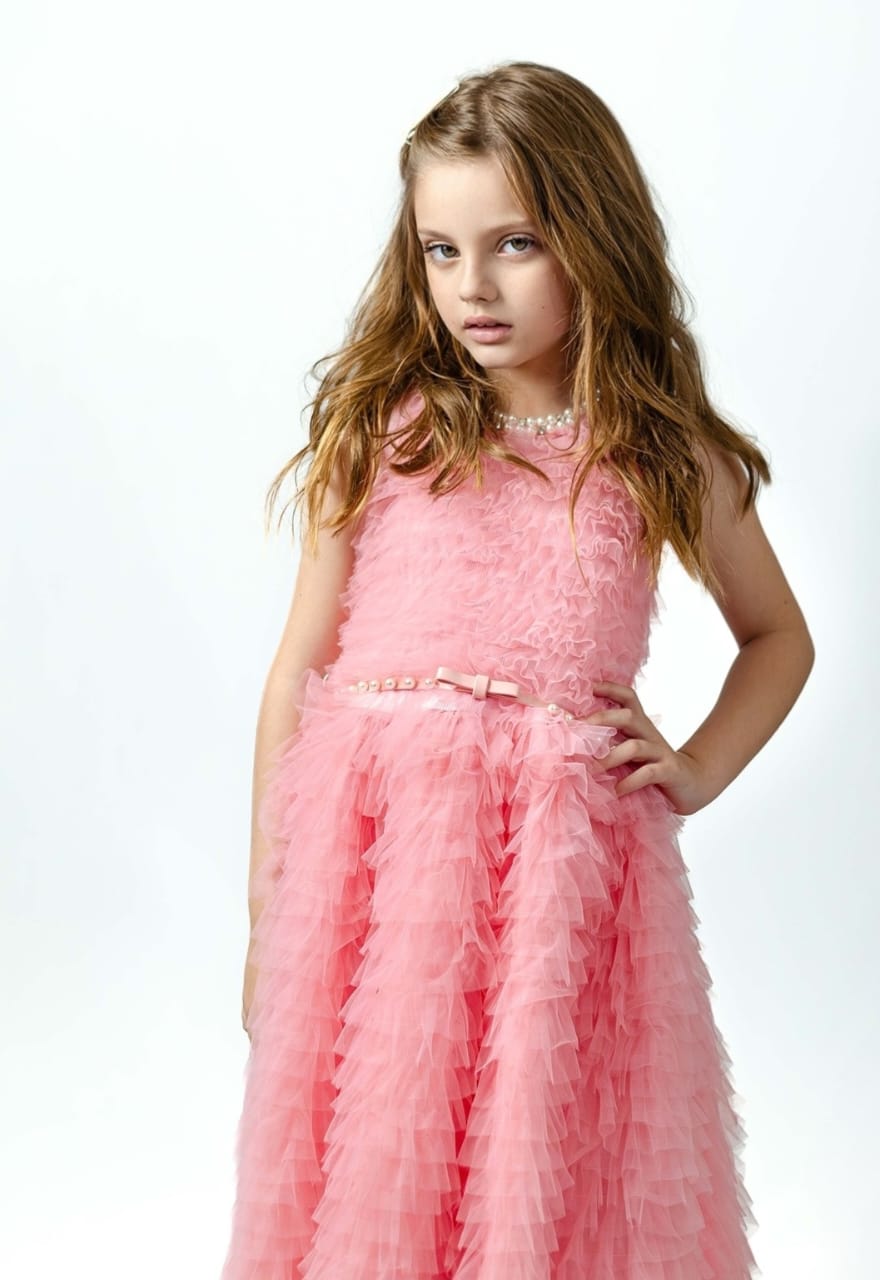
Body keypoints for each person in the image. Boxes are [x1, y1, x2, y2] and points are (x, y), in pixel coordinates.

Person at [220, 60, 814, 1280]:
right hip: (380, 866)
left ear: (592, 236)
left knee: (542, 1166)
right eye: (440, 250)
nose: (472, 287)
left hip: (557, 870)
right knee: (381, 1164)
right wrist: (266, 906)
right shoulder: (386, 426)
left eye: (514, 244)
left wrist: (697, 766)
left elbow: (778, 635)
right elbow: (296, 672)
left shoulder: (654, 449)